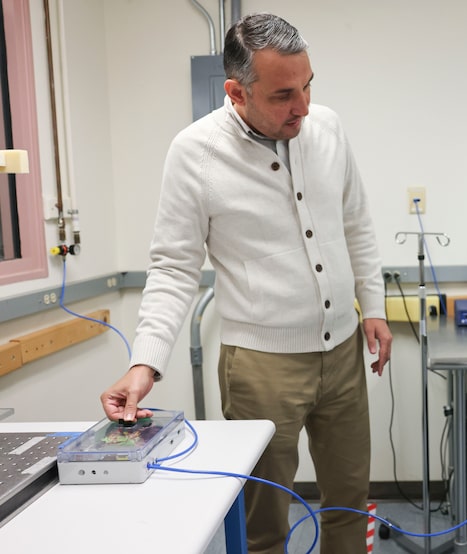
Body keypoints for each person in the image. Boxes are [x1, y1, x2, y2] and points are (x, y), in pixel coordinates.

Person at [99, 13, 392, 554]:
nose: (302, 106)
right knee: (263, 522)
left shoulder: (326, 127)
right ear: (237, 91)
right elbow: (172, 267)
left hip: (344, 352)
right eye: (284, 95)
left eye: (308, 86)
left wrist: (372, 306)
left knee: (350, 502)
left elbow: (356, 222)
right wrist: (145, 361)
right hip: (261, 367)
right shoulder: (195, 152)